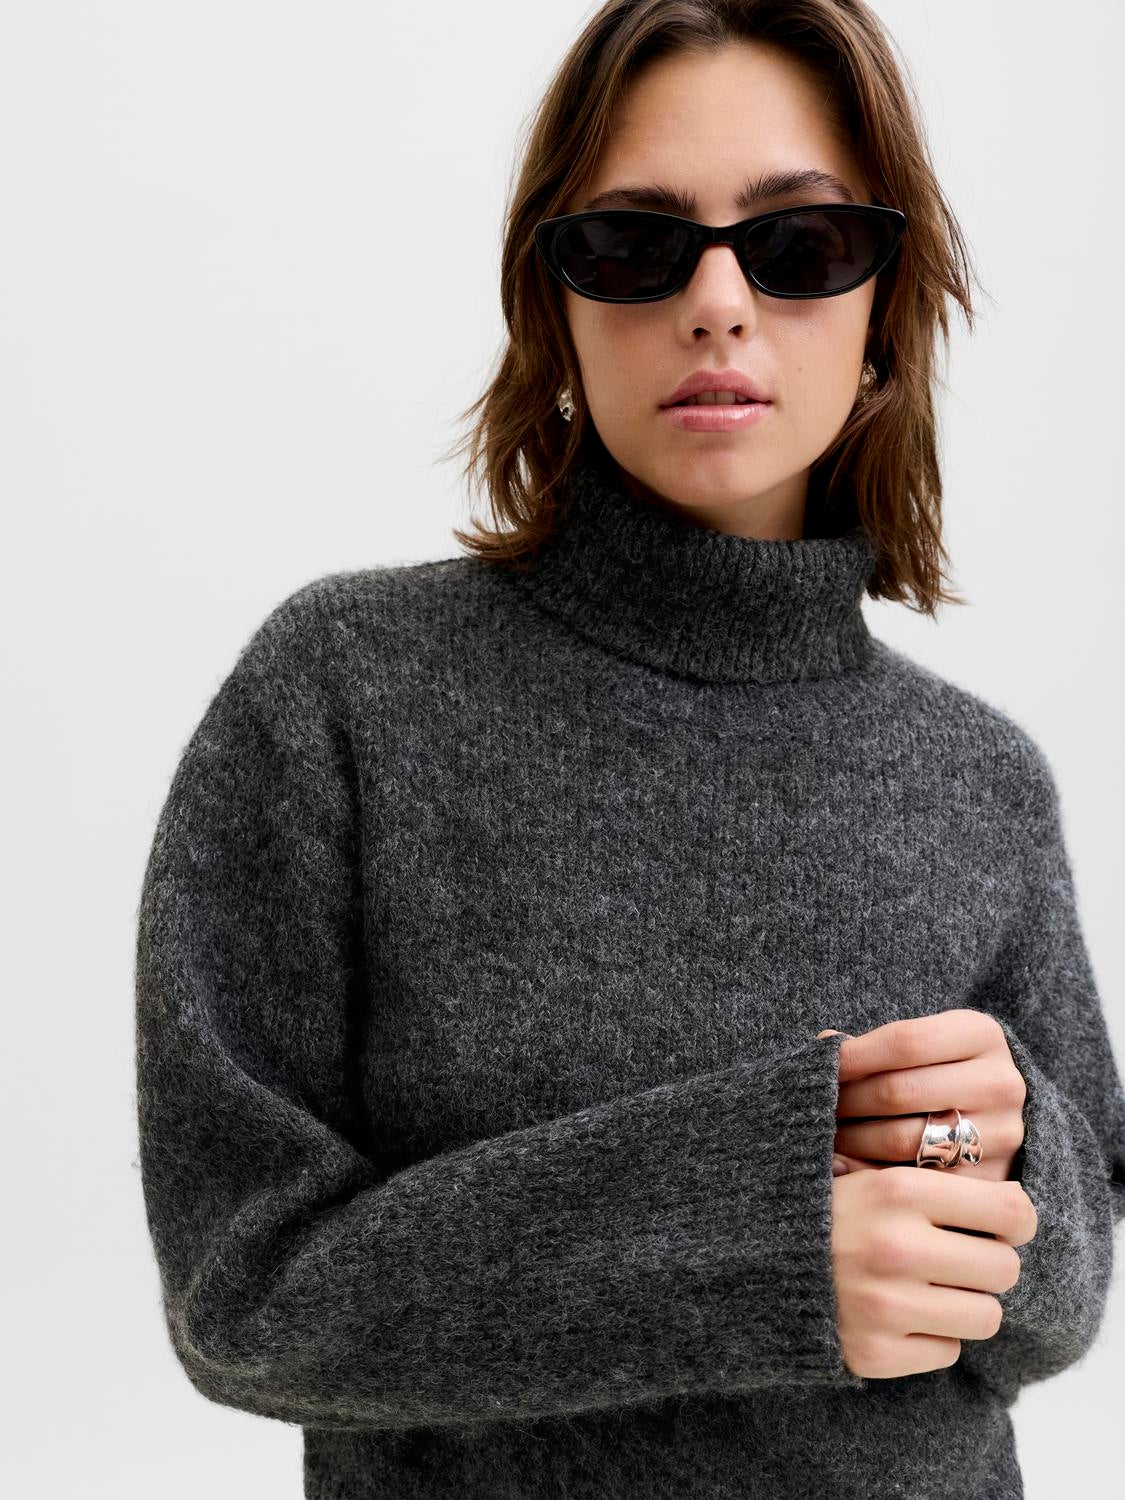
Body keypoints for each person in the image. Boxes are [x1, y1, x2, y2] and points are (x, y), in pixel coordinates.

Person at [134, 3, 1125, 1498]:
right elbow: (245, 1297)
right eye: (632, 244)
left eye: (800, 246)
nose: (717, 302)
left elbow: (1069, 1289)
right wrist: (762, 1236)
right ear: (555, 305)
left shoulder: (980, 776)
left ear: (885, 304)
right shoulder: (345, 692)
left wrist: (1009, 1154)